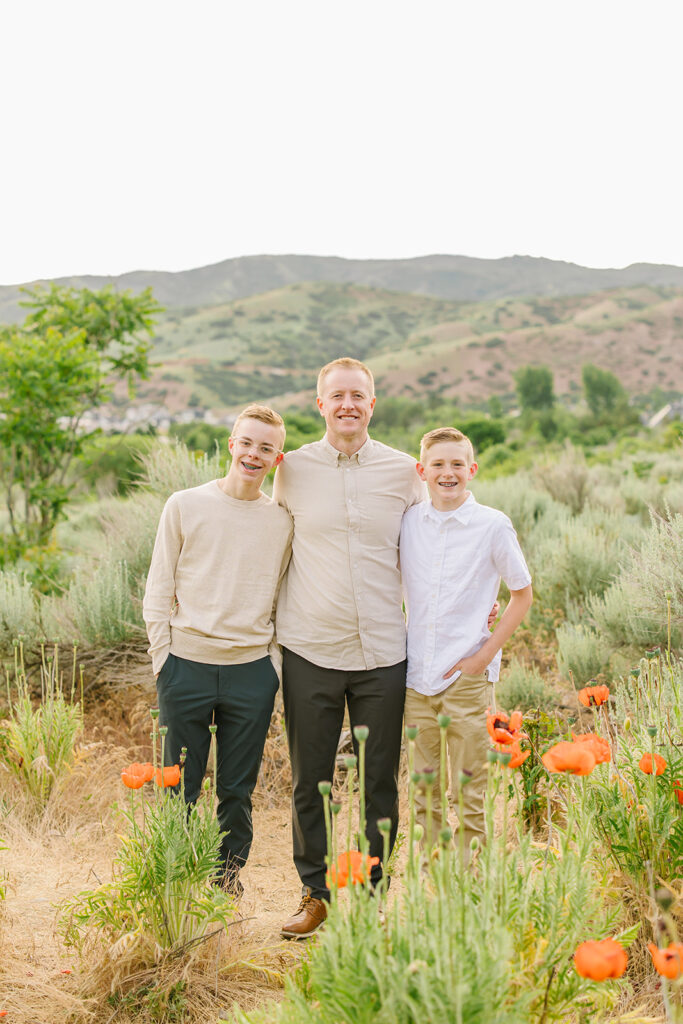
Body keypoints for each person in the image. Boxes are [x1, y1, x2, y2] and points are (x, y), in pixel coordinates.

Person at [273, 357, 426, 938]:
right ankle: (315, 894)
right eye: (336, 395)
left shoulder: (403, 472)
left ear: (372, 402)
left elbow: (429, 547)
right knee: (310, 779)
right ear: (320, 404)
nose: (347, 405)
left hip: (384, 653)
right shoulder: (292, 472)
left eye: (357, 396)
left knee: (379, 782)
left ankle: (371, 896)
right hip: (310, 647)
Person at [142, 404, 293, 895]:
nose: (254, 454)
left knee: (235, 788)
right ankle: (175, 877)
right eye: (247, 443)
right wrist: (163, 659)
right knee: (178, 784)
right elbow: (158, 587)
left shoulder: (282, 521)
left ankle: (225, 880)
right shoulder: (184, 504)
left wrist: (272, 665)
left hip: (251, 671)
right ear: (231, 444)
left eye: (266, 448)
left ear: (277, 457)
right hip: (185, 665)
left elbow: (285, 595)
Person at [399, 426, 533, 855]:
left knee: (471, 792)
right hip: (416, 677)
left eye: (457, 464)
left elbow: (522, 594)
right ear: (422, 470)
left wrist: (484, 655)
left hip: (467, 679)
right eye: (438, 464)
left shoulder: (492, 525)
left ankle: (468, 886)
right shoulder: (407, 522)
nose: (447, 472)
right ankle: (432, 883)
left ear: (472, 470)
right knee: (424, 793)